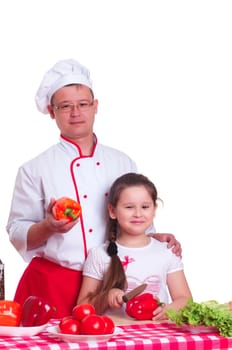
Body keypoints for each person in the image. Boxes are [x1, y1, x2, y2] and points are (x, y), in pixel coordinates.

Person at [6, 59, 181, 318]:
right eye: (65, 106)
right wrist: (49, 226)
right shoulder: (34, 169)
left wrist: (154, 238)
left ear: (95, 106)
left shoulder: (122, 161)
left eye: (83, 104)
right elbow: (17, 230)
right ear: (52, 111)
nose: (75, 112)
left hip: (111, 284)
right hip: (53, 285)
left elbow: (134, 215)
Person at [77, 173, 192, 320]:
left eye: (145, 207)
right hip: (116, 337)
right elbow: (81, 307)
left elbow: (185, 299)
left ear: (154, 209)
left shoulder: (166, 251)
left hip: (157, 333)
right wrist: (106, 298)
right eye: (129, 207)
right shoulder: (99, 254)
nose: (138, 214)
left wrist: (170, 309)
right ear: (112, 211)